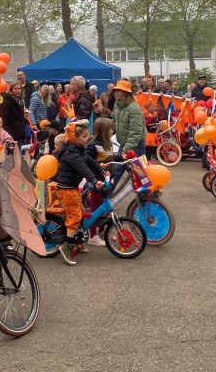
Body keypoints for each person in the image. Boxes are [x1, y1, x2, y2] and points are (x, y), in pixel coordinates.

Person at [53, 122, 105, 265]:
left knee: (80, 212)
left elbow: (89, 161)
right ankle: (67, 247)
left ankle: (76, 240)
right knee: (75, 216)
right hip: (66, 189)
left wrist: (101, 170)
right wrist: (94, 180)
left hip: (71, 187)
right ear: (74, 137)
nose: (87, 138)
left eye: (88, 135)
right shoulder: (71, 152)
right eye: (84, 136)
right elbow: (82, 167)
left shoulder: (78, 149)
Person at [111, 79, 146, 185]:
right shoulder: (117, 105)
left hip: (136, 145)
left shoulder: (134, 108)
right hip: (124, 143)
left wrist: (125, 150)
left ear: (126, 92)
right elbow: (114, 120)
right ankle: (103, 198)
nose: (116, 92)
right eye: (115, 90)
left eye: (119, 90)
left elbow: (135, 133)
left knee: (140, 174)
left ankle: (147, 199)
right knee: (116, 172)